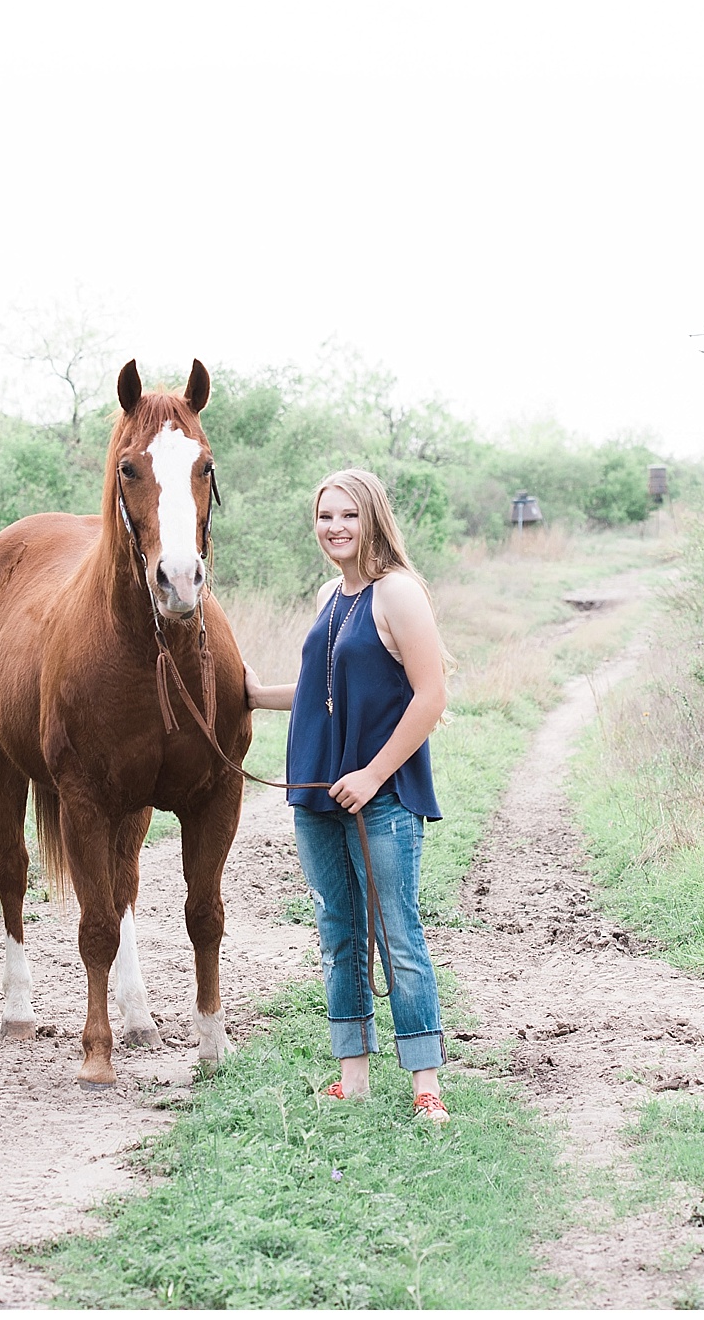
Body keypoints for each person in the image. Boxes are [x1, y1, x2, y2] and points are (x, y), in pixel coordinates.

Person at [243, 467, 451, 1123]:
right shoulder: (328, 596)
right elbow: (316, 688)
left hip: (380, 797)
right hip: (319, 796)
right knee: (338, 930)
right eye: (324, 515)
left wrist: (373, 774)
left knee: (397, 932)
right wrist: (250, 694)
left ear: (372, 518)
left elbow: (431, 695)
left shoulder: (398, 593)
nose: (334, 527)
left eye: (347, 515)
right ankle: (352, 1077)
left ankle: (427, 1087)